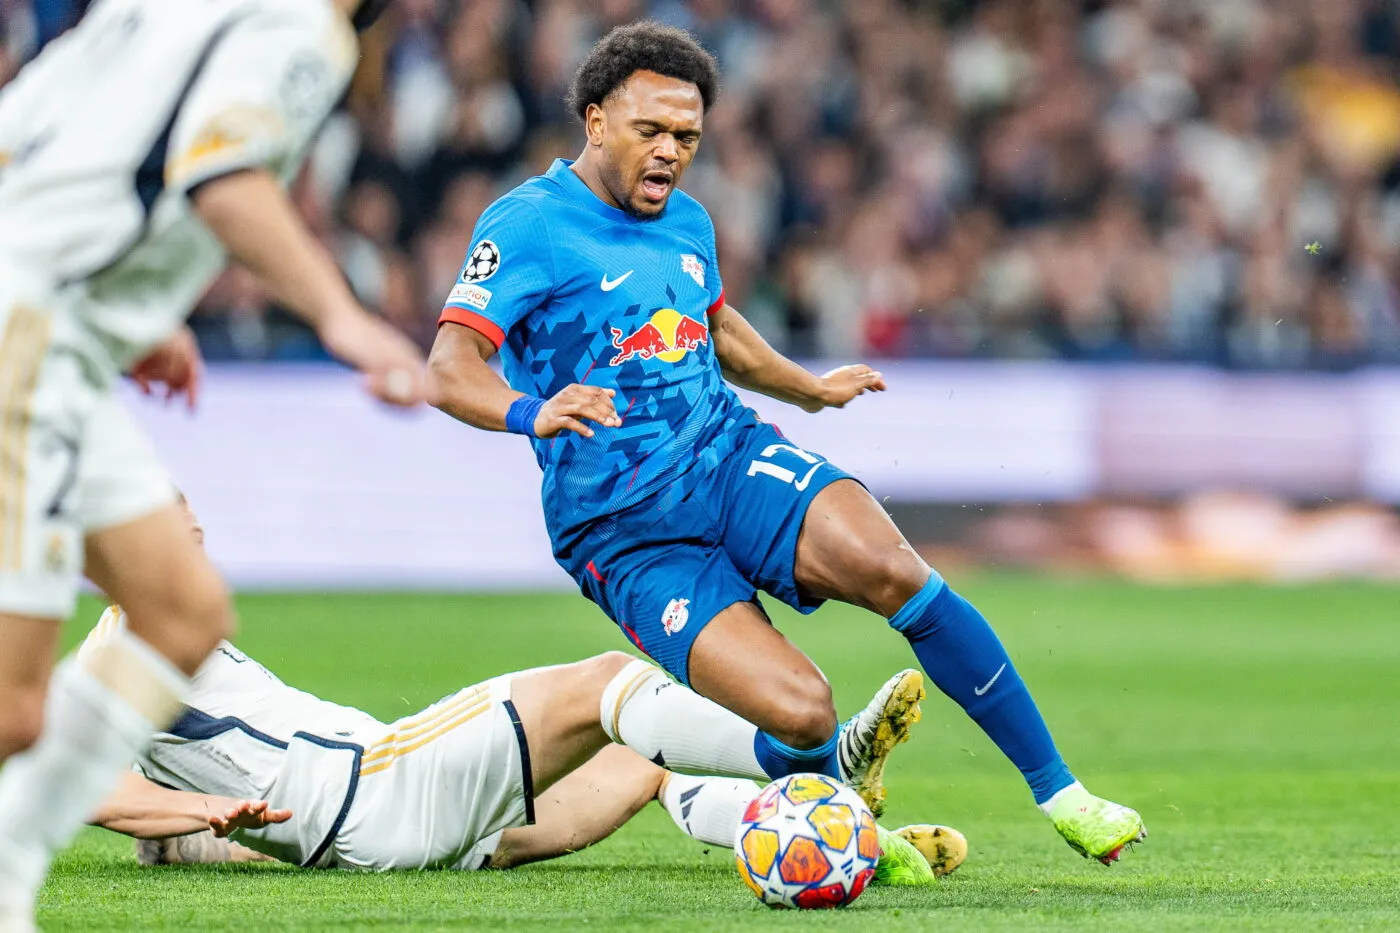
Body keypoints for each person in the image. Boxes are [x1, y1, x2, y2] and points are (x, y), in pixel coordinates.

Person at [424, 21, 1145, 865]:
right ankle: (833, 803)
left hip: (727, 459)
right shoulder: (528, 226)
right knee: (803, 710)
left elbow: (712, 323)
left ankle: (1061, 791)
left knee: (893, 567)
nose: (669, 153)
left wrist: (806, 387)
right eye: (649, 131)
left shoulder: (687, 220)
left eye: (686, 137)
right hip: (624, 530)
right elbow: (448, 367)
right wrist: (530, 412)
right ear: (594, 122)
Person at [0, 2, 421, 928]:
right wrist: (341, 315)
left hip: (54, 324)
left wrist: (133, 312)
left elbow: (37, 132)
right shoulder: (304, 32)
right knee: (13, 713)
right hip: (29, 330)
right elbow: (222, 176)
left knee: (183, 611)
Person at [79, 501, 963, 883]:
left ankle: (856, 845)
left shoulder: (170, 639)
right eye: (169, 518)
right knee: (605, 681)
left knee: (641, 759)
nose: (193, 525)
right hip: (381, 784)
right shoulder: (128, 646)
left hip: (395, 832)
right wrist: (193, 805)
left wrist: (190, 835)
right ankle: (825, 758)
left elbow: (158, 790)